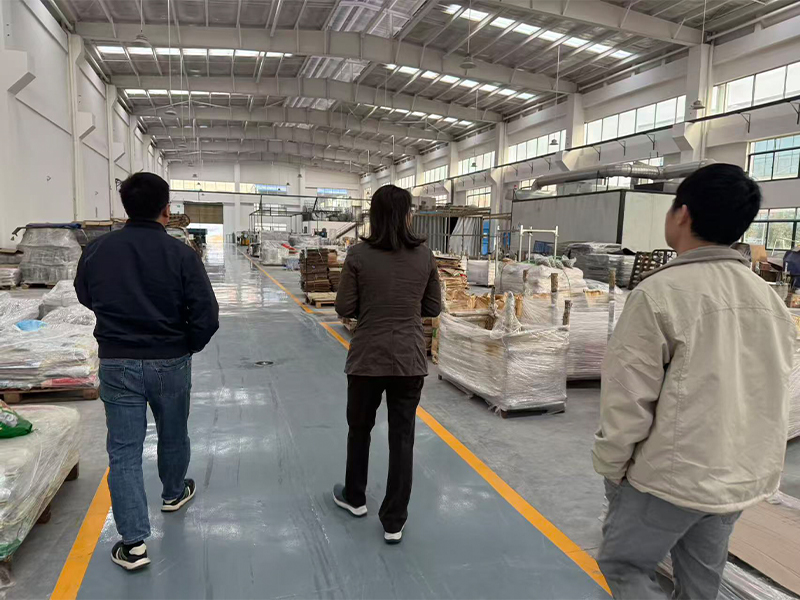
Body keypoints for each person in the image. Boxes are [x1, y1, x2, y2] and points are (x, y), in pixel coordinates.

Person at [593, 163, 795, 599]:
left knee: (623, 565)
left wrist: (612, 466)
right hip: (737, 476)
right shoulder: (769, 299)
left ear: (682, 214)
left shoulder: (659, 294)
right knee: (701, 583)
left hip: (672, 478)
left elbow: (628, 398)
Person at [75, 173, 219, 571]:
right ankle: (173, 493)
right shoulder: (181, 254)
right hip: (170, 360)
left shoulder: (98, 250)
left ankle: (133, 543)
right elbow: (206, 314)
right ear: (167, 209)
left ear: (125, 207)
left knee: (123, 450)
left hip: (117, 360)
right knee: (173, 431)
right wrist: (186, 345)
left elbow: (85, 294)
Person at [332, 184, 441, 545]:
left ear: (374, 216)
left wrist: (373, 307)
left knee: (359, 429)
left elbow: (344, 307)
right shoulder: (424, 255)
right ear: (408, 215)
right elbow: (433, 307)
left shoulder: (358, 255)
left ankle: (355, 496)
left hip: (367, 357)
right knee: (402, 438)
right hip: (409, 359)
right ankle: (394, 520)